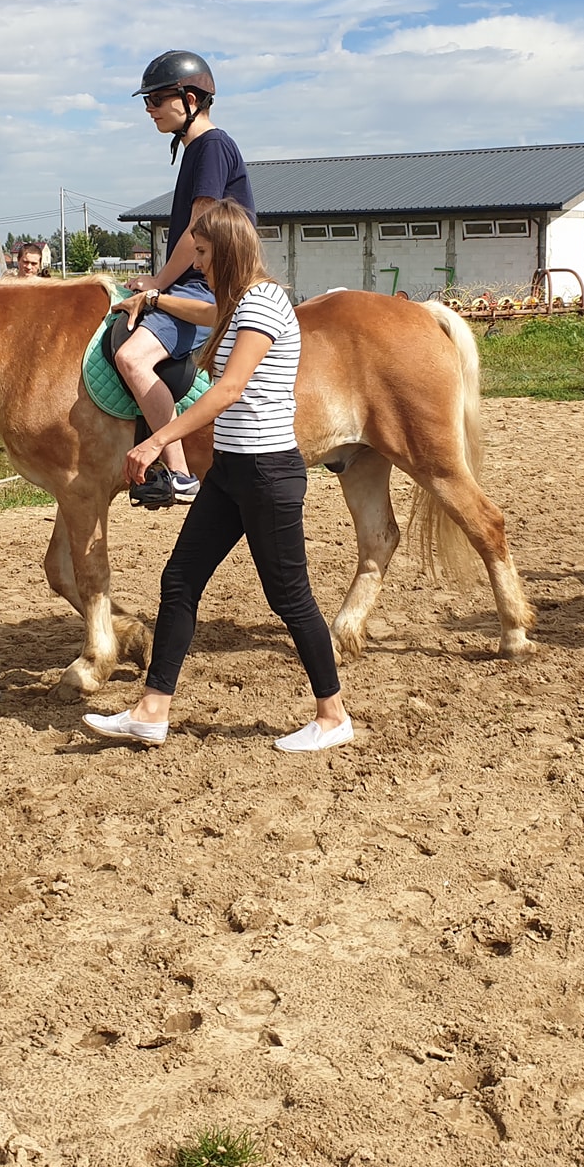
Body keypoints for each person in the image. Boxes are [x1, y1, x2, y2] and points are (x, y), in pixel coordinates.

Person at [84, 199, 350, 753]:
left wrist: (159, 439)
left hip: (267, 473)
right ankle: (152, 710)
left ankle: (332, 715)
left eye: (202, 252)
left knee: (290, 597)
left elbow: (229, 389)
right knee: (179, 581)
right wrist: (155, 297)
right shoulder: (237, 303)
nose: (198, 262)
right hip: (230, 470)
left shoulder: (263, 302)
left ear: (226, 249)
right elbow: (204, 314)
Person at [119, 50, 255, 508]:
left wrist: (158, 283)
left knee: (133, 359)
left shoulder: (212, 146)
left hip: (207, 286)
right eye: (148, 100)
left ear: (191, 98)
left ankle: (179, 473)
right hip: (192, 279)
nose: (149, 108)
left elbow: (200, 229)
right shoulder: (196, 149)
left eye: (157, 98)